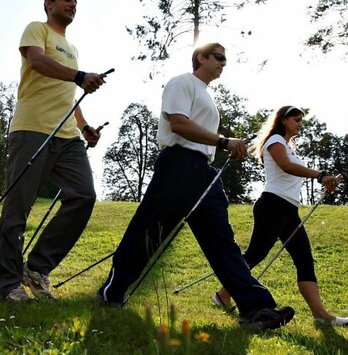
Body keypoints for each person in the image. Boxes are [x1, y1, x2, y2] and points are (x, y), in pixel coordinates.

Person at [97, 42, 296, 331]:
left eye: (225, 59)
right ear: (200, 57)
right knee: (149, 231)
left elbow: (199, 131)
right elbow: (178, 124)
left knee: (222, 240)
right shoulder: (182, 83)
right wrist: (223, 141)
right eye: (218, 57)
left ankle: (256, 308)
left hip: (204, 171)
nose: (223, 63)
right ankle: (111, 292)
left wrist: (219, 145)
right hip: (178, 164)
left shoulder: (205, 94)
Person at [0, 0, 107, 302]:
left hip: (67, 136)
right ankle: (9, 283)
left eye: (76, 1)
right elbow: (38, 62)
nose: (73, 5)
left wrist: (85, 127)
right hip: (32, 129)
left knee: (84, 195)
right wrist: (78, 75)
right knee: (18, 208)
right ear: (49, 4)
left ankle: (38, 266)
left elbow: (69, 94)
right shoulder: (36, 30)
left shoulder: (72, 49)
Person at [212, 106, 348, 326]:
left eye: (301, 121)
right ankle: (223, 295)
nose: (300, 124)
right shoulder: (274, 141)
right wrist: (320, 175)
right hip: (272, 205)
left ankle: (320, 315)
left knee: (304, 259)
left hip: (289, 209)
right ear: (284, 120)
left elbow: (292, 170)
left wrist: (325, 181)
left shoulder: (288, 146)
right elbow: (286, 167)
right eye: (296, 120)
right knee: (255, 254)